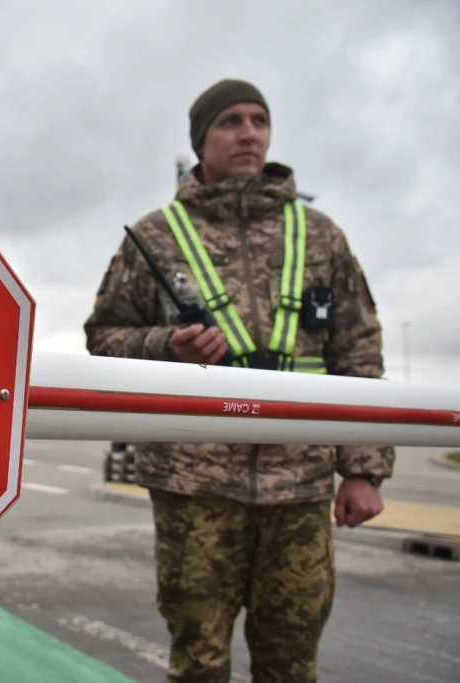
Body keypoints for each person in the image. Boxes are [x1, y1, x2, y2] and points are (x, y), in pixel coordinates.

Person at [83, 78, 396, 682]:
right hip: (193, 484)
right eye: (230, 121)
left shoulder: (320, 235)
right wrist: (166, 346)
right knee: (198, 664)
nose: (248, 132)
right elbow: (103, 339)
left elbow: (358, 351)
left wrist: (362, 467)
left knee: (290, 664)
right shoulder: (154, 236)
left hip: (298, 485)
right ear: (201, 140)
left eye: (259, 119)